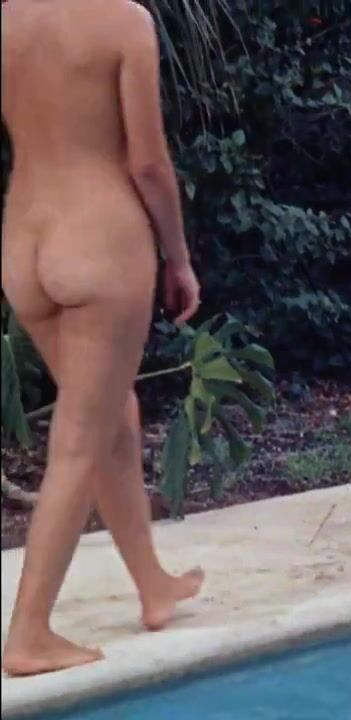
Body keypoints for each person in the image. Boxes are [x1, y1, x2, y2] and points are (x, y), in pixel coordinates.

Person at [1, 0, 205, 676]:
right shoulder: (123, 21)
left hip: (25, 242)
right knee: (79, 438)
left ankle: (152, 585)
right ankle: (29, 633)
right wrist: (179, 258)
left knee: (114, 409)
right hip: (99, 240)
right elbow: (148, 164)